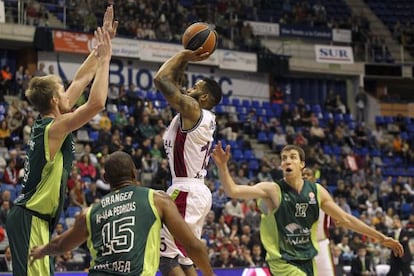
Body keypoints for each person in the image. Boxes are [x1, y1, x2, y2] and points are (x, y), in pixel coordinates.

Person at [5, 6, 118, 276]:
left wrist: (101, 47)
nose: (68, 92)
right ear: (55, 100)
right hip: (30, 218)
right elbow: (97, 103)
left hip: (34, 219)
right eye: (61, 91)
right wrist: (105, 61)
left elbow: (80, 79)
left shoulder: (52, 121)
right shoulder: (55, 127)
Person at [211, 143, 404, 276]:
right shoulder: (272, 190)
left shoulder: (317, 191)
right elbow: (233, 190)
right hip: (282, 261)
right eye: (284, 158)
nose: (287, 160)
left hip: (307, 259)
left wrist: (380, 238)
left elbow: (346, 219)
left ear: (302, 164)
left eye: (292, 157)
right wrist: (222, 166)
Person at [29, 151, 214, 276]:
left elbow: (61, 245)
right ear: (135, 173)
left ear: (105, 179)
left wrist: (41, 251)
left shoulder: (89, 213)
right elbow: (192, 245)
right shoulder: (158, 200)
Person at [154, 47, 223, 276]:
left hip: (186, 191)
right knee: (184, 259)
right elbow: (175, 81)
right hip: (196, 190)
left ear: (203, 98)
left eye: (195, 88)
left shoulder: (193, 110)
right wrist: (186, 60)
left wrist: (184, 54)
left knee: (165, 257)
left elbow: (162, 79)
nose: (188, 89)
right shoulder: (200, 114)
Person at [303, 167, 335, 276]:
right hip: (303, 245)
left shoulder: (322, 194)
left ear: (314, 178)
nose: (305, 176)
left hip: (321, 244)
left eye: (308, 174)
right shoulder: (293, 196)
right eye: (303, 174)